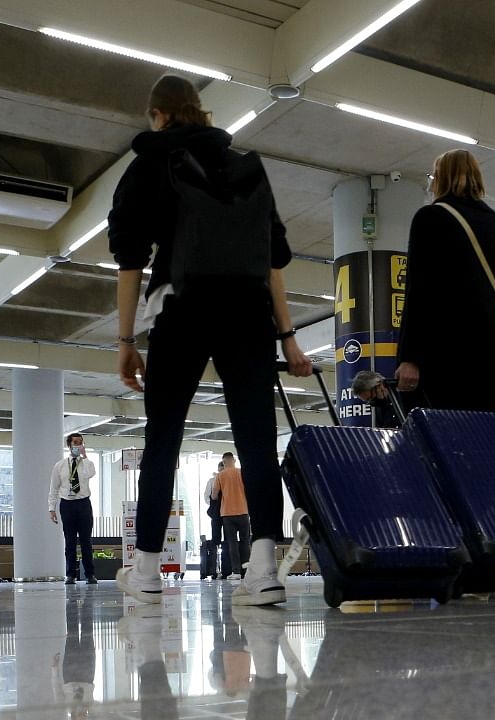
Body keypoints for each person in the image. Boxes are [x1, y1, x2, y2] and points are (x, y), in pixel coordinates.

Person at [109, 74, 311, 607]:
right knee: (256, 437)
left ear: (158, 115)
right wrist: (287, 336)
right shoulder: (245, 167)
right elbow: (273, 261)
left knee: (164, 437)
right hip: (248, 313)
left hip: (181, 308)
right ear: (199, 112)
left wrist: (126, 339)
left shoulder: (148, 164)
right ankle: (264, 568)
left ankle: (148, 568)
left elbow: (130, 261)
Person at [395, 149, 495, 431]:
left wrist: (409, 357)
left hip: (454, 357)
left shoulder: (430, 218)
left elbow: (420, 293)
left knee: (456, 445)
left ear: (440, 179)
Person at [49, 433, 98, 585]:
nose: (78, 445)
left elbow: (90, 474)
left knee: (86, 541)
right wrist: (52, 508)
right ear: (69, 445)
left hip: (83, 503)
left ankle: (90, 574)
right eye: (76, 443)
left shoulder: (87, 463)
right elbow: (54, 488)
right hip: (67, 504)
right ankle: (70, 574)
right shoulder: (60, 465)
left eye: (81, 442)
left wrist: (84, 457)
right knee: (70, 541)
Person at [212, 452, 250, 580]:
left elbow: (214, 495)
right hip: (243, 512)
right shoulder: (243, 473)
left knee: (232, 544)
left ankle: (236, 572)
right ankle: (246, 571)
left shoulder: (220, 476)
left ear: (224, 462)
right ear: (234, 460)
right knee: (245, 542)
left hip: (227, 514)